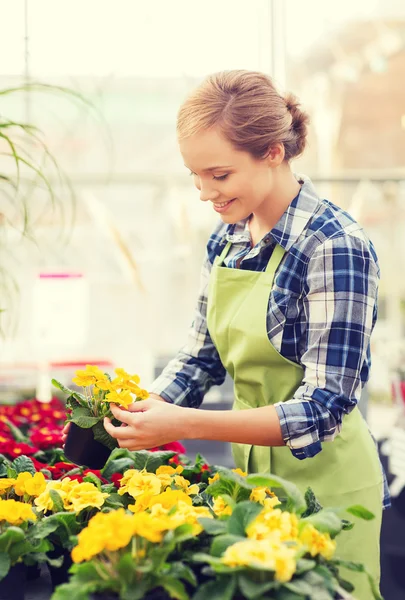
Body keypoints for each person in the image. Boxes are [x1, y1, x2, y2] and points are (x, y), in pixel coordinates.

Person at [63, 70, 389, 598]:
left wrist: (185, 423)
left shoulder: (335, 247)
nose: (205, 193)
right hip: (254, 489)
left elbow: (323, 407)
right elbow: (199, 360)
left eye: (219, 174)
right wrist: (131, 415)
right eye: (195, 177)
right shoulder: (228, 238)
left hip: (329, 490)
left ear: (273, 152)